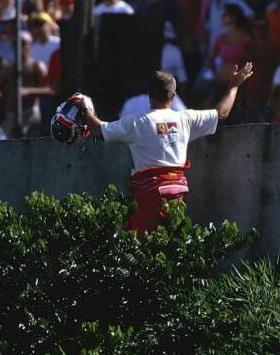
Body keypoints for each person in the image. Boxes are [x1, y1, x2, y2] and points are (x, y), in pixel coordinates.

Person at [81, 66, 254, 234]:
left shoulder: (137, 122)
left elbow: (98, 131)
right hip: (178, 194)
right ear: (173, 95)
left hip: (149, 194)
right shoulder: (185, 118)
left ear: (149, 96)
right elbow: (221, 113)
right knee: (171, 247)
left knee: (144, 248)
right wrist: (234, 85)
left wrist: (86, 109)